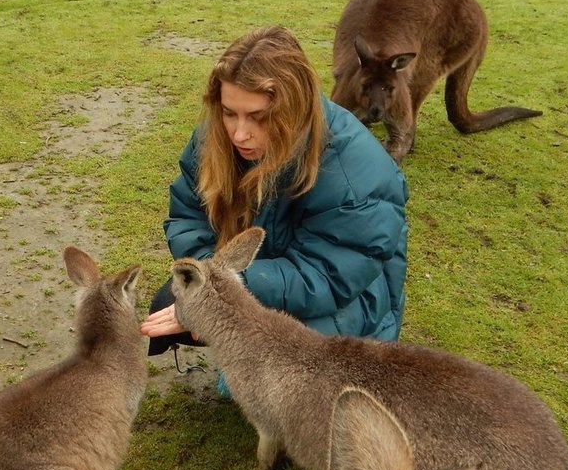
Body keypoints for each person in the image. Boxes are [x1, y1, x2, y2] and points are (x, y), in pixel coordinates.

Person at [140, 26, 409, 383]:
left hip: (346, 303)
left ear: (293, 109)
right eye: (229, 113)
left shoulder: (353, 172)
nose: (239, 133)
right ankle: (249, 368)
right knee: (171, 301)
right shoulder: (218, 139)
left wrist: (221, 298)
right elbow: (188, 214)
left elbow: (326, 279)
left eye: (259, 117)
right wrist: (211, 286)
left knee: (293, 371)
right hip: (254, 274)